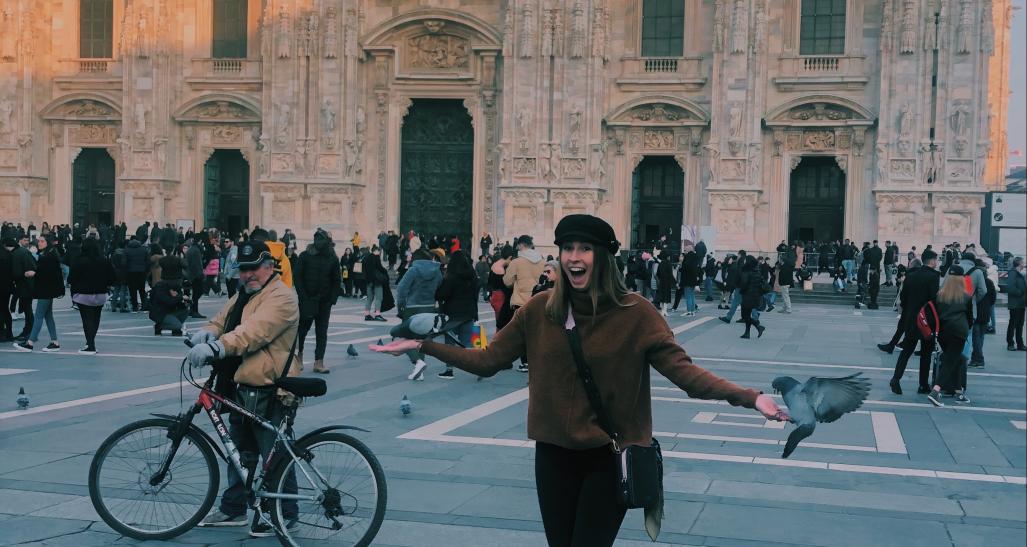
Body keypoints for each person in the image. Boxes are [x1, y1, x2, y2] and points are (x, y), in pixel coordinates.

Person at [371, 214, 787, 547]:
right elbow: (487, 361)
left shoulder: (636, 314)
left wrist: (750, 398)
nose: (574, 257)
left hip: (609, 455)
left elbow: (687, 375)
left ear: (602, 257)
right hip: (554, 456)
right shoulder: (539, 310)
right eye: (567, 248)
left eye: (584, 248)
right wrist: (423, 346)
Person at [191, 240, 300, 537]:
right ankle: (234, 507)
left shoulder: (282, 297)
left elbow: (253, 333)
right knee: (239, 451)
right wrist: (206, 333)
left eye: (253, 269)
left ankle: (285, 513)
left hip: (272, 385)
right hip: (243, 383)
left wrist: (218, 347)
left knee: (273, 454)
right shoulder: (244, 294)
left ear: (269, 267)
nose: (247, 275)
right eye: (242, 269)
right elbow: (222, 321)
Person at [890, 250, 941, 395]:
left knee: (907, 350)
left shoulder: (911, 275)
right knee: (926, 353)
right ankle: (923, 384)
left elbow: (904, 298)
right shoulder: (933, 276)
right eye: (936, 260)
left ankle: (896, 378)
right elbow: (934, 300)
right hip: (926, 320)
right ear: (932, 260)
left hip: (911, 318)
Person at [294, 230, 342, 374]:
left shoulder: (332, 258)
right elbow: (297, 277)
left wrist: (332, 299)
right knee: (302, 331)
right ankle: (298, 358)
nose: (318, 242)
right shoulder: (305, 256)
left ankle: (319, 362)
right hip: (307, 300)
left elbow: (337, 280)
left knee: (322, 332)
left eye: (321, 239)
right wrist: (303, 297)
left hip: (324, 302)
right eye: (317, 239)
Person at [926, 266, 973, 406]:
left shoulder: (940, 295)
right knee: (950, 361)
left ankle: (959, 392)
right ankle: (935, 391)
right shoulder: (966, 297)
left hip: (943, 332)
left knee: (955, 359)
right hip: (958, 333)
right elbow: (970, 318)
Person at [396, 247, 443, 381]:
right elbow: (440, 288)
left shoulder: (413, 270)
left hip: (412, 307)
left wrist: (401, 307)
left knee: (406, 338)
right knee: (421, 340)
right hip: (429, 308)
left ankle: (418, 362)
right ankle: (419, 371)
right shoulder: (437, 272)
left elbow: (401, 289)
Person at [13, 236, 64, 352]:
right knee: (48, 316)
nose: (39, 243)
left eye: (42, 241)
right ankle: (54, 342)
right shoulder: (48, 254)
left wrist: (34, 273)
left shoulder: (48, 256)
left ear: (47, 242)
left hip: (46, 291)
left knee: (39, 316)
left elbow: (46, 274)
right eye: (39, 241)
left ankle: (30, 343)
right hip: (48, 290)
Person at [435, 250, 479, 379]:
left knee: (450, 343)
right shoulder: (473, 276)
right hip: (469, 313)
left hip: (453, 314)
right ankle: (478, 367)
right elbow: (475, 297)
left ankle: (449, 370)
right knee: (467, 343)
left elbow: (442, 295)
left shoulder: (451, 277)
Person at [504, 235, 546, 371]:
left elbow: (507, 282)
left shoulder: (517, 262)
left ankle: (525, 362)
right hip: (539, 300)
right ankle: (536, 361)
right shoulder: (542, 261)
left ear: (521, 245)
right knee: (537, 332)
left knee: (522, 333)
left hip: (521, 300)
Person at [11, 235, 37, 341]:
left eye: (27, 240)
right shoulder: (23, 252)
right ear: (19, 240)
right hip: (26, 284)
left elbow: (30, 268)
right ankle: (28, 331)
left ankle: (29, 332)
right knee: (27, 308)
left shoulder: (22, 252)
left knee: (27, 309)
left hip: (25, 285)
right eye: (25, 240)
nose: (27, 242)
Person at [149, 272, 188, 336]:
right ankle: (159, 326)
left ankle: (173, 325)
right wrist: (180, 297)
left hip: (169, 311)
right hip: (160, 313)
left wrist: (185, 302)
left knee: (185, 311)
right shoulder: (160, 287)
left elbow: (177, 302)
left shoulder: (176, 288)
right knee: (178, 326)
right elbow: (168, 301)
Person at [737, 255, 766, 339]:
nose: (744, 262)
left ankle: (758, 326)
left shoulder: (746, 271)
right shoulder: (757, 270)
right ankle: (747, 333)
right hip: (755, 296)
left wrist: (740, 287)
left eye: (745, 260)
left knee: (744, 316)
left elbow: (744, 284)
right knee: (748, 315)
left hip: (747, 296)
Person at [124, 237, 149, 312]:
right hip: (142, 272)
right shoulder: (144, 250)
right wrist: (146, 270)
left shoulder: (127, 250)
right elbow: (147, 261)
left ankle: (135, 307)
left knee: (132, 290)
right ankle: (144, 306)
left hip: (131, 272)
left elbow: (124, 262)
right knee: (142, 289)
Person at [1006, 257, 1026, 351]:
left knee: (1020, 325)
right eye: (1023, 262)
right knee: (1013, 324)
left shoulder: (1019, 274)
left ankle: (1020, 344)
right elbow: (1010, 288)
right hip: (1015, 304)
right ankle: (1010, 343)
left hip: (1021, 303)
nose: (1024, 264)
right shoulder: (1013, 273)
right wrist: (1020, 293)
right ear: (1019, 263)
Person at [0, 238, 14, 342]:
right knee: (5, 308)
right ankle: (9, 333)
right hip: (7, 286)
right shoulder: (8, 254)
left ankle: (2, 333)